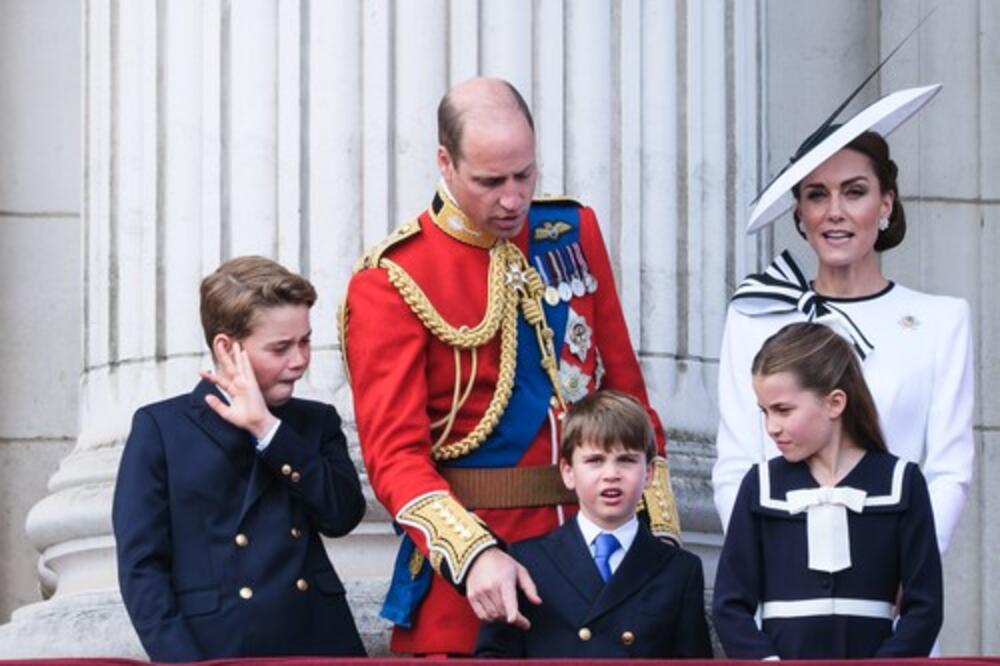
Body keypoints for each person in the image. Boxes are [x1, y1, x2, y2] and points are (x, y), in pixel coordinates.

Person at [341, 77, 681, 655]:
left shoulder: (572, 233)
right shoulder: (391, 280)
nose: (513, 199)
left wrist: (659, 534)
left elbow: (626, 394)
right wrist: (473, 555)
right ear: (445, 164)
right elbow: (395, 458)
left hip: (593, 558)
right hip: (476, 578)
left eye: (525, 176)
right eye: (490, 181)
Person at [712, 84, 974, 560]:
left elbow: (948, 472)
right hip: (783, 584)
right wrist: (764, 569)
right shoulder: (754, 315)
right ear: (800, 213)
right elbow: (735, 468)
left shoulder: (942, 322)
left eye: (854, 192)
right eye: (817, 195)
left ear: (886, 204)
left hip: (894, 585)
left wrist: (912, 573)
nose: (835, 212)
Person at [113, 256, 366, 661]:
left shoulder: (315, 422)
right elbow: (142, 569)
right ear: (227, 348)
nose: (299, 360)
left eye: (305, 341)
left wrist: (269, 430)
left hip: (318, 641)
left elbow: (342, 516)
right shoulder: (161, 428)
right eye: (281, 348)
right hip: (218, 646)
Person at [713, 322, 943, 659]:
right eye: (764, 412)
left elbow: (925, 607)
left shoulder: (901, 481)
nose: (771, 428)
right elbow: (729, 606)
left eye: (783, 410)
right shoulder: (759, 485)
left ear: (834, 403)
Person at [474, 390, 712, 658]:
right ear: (568, 472)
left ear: (649, 474)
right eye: (595, 461)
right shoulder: (526, 562)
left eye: (626, 460)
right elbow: (494, 658)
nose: (611, 475)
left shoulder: (679, 570)